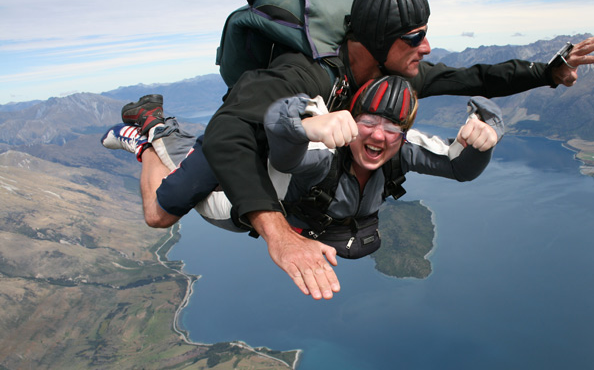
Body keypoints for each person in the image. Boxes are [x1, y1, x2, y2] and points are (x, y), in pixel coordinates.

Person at [107, 0, 594, 300]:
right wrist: (278, 234)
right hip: (247, 136)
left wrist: (548, 71)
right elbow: (227, 136)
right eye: (414, 38)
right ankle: (152, 129)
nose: (426, 46)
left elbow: (472, 76)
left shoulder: (398, 76)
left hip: (293, 146)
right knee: (159, 213)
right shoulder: (299, 74)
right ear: (374, 42)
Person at [102, 74, 501, 262]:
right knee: (159, 212)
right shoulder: (323, 153)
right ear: (351, 118)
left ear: (404, 131)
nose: (379, 136)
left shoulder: (401, 150)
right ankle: (148, 135)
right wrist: (305, 124)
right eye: (369, 121)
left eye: (393, 125)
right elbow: (284, 152)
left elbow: (459, 167)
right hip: (237, 200)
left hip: (268, 166)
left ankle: (162, 127)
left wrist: (484, 139)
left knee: (194, 148)